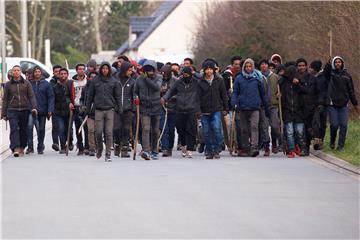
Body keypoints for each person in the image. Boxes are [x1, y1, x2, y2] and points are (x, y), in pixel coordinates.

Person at [231, 58, 269, 157]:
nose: (248, 68)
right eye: (246, 66)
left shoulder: (258, 79)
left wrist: (266, 106)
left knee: (254, 127)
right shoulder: (239, 78)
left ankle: (254, 147)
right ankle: (246, 148)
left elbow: (263, 94)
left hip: (255, 107)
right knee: (244, 129)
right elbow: (235, 92)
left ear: (253, 67)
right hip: (242, 108)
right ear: (244, 67)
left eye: (250, 66)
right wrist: (233, 102)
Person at [162, 66, 200, 158]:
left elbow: (203, 79)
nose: (185, 76)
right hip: (179, 109)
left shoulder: (196, 82)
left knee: (191, 130)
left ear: (191, 74)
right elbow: (171, 91)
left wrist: (199, 109)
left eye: (187, 75)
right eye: (184, 74)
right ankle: (183, 145)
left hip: (191, 109)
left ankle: (190, 149)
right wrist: (164, 98)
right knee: (180, 129)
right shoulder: (178, 82)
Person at [86, 62, 121, 162]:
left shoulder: (114, 81)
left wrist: (120, 108)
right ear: (100, 69)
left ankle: (108, 154)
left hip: (110, 109)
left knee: (109, 132)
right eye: (103, 68)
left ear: (109, 70)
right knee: (98, 132)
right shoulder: (95, 80)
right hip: (98, 110)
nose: (105, 70)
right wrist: (88, 108)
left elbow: (118, 96)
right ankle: (100, 148)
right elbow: (90, 96)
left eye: (107, 68)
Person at [1, 65, 38, 157]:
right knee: (14, 129)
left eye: (18, 70)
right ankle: (15, 147)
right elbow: (5, 99)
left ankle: (22, 146)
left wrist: (34, 107)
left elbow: (31, 96)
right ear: (12, 72)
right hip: (12, 109)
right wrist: (3, 113)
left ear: (20, 72)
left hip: (24, 109)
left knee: (23, 130)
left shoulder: (26, 83)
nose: (16, 72)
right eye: (15, 70)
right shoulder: (8, 84)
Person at [324, 56, 358, 151]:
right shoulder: (330, 74)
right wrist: (327, 64)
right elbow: (325, 74)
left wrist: (355, 103)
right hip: (332, 104)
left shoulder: (347, 76)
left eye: (339, 62)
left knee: (343, 125)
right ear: (333, 64)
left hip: (343, 105)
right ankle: (332, 141)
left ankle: (341, 146)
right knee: (334, 125)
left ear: (342, 63)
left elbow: (351, 91)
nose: (338, 63)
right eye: (336, 62)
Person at [197, 60, 228, 159]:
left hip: (216, 109)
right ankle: (209, 150)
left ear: (214, 70)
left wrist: (226, 108)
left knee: (217, 128)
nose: (209, 71)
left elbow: (224, 95)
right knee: (206, 132)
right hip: (204, 110)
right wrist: (198, 110)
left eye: (211, 69)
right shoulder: (200, 82)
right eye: (207, 69)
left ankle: (217, 148)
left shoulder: (219, 80)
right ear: (204, 70)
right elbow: (197, 98)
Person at [134, 60, 162, 160]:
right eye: (147, 70)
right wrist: (136, 98)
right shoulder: (139, 79)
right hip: (144, 108)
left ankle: (154, 150)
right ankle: (146, 150)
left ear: (154, 70)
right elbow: (135, 92)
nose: (149, 72)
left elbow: (156, 87)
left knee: (155, 131)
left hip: (156, 107)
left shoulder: (159, 78)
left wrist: (146, 79)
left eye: (151, 70)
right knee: (145, 129)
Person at [279, 65, 307, 158]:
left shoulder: (299, 81)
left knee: (299, 131)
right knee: (290, 131)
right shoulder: (283, 82)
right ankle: (291, 150)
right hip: (287, 110)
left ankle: (302, 148)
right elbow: (278, 92)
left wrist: (298, 84)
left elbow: (305, 91)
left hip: (298, 111)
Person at [26, 66, 54, 154]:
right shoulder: (29, 83)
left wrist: (50, 110)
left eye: (39, 71)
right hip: (31, 110)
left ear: (41, 73)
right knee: (29, 127)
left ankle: (40, 146)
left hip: (43, 110)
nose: (37, 73)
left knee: (41, 129)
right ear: (33, 73)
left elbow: (50, 97)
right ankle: (30, 147)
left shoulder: (46, 84)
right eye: (35, 72)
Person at [113, 61, 136, 158]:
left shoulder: (132, 81)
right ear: (124, 69)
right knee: (116, 128)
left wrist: (134, 106)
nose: (131, 72)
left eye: (132, 70)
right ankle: (117, 144)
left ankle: (125, 149)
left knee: (126, 129)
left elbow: (134, 95)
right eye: (129, 70)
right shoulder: (114, 79)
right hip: (116, 108)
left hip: (128, 109)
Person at [259, 59, 281, 155]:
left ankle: (275, 143)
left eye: (265, 64)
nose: (264, 66)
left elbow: (280, 88)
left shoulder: (275, 77)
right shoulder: (258, 77)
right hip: (263, 106)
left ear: (268, 66)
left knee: (275, 126)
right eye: (262, 65)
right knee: (264, 127)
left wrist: (280, 94)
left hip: (273, 105)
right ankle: (266, 146)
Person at [296, 58, 317, 155]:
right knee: (300, 129)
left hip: (309, 107)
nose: (301, 67)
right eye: (299, 66)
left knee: (308, 129)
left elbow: (310, 91)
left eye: (303, 65)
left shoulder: (312, 78)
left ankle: (306, 147)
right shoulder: (293, 77)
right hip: (297, 107)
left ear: (306, 66)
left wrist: (298, 85)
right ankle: (302, 147)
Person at [53, 68, 75, 154]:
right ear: (58, 75)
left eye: (65, 74)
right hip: (58, 112)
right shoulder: (55, 87)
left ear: (67, 74)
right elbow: (53, 99)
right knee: (61, 129)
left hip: (69, 111)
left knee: (69, 128)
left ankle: (70, 142)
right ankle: (63, 146)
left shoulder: (71, 85)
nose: (63, 75)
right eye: (61, 74)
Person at [159, 64, 177, 157]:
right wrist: (160, 91)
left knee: (171, 129)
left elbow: (179, 94)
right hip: (162, 108)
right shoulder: (159, 80)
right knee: (163, 128)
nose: (164, 75)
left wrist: (171, 97)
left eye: (166, 74)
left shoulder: (175, 81)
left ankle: (169, 147)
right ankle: (165, 148)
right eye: (163, 73)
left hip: (173, 108)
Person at [309, 60, 327, 150]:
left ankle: (321, 141)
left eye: (311, 67)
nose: (310, 69)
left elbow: (323, 91)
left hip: (323, 103)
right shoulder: (311, 77)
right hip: (313, 104)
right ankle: (316, 141)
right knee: (315, 123)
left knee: (322, 124)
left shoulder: (324, 77)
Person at [72, 63, 89, 155]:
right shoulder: (72, 82)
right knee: (78, 128)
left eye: (83, 69)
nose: (81, 70)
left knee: (86, 128)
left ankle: (87, 147)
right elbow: (68, 94)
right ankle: (80, 147)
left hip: (85, 107)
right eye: (80, 69)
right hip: (76, 106)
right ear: (76, 70)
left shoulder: (88, 81)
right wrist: (70, 103)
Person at [80, 71, 98, 156]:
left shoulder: (100, 87)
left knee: (98, 131)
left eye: (95, 77)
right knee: (90, 130)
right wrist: (82, 106)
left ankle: (98, 146)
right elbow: (82, 99)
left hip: (99, 111)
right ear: (88, 78)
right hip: (89, 113)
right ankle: (92, 148)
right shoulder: (85, 88)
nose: (93, 79)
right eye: (91, 77)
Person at [49, 65, 62, 151]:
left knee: (64, 127)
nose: (58, 73)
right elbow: (50, 96)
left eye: (59, 71)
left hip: (65, 107)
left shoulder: (66, 81)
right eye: (56, 71)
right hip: (55, 107)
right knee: (55, 126)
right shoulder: (51, 82)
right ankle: (55, 143)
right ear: (53, 72)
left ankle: (66, 143)